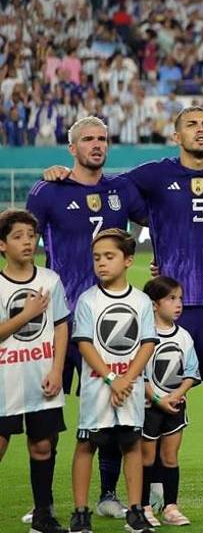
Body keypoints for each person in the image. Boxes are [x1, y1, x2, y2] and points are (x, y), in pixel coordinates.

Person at [113, 107, 203, 511]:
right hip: (169, 306)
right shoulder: (156, 174)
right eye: (191, 125)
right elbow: (109, 188)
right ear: (176, 136)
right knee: (159, 396)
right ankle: (158, 487)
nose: (200, 130)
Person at [27, 116, 148, 521]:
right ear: (71, 148)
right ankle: (43, 502)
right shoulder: (48, 191)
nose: (97, 145)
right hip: (59, 319)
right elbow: (22, 243)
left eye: (102, 139)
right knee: (47, 412)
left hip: (109, 321)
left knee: (113, 408)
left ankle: (108, 494)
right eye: (88, 139)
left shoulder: (121, 189)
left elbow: (162, 217)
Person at [70, 229, 157, 533]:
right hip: (97, 388)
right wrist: (111, 379)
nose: (102, 263)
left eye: (109, 256)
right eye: (97, 258)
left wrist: (126, 380)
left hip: (129, 388)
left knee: (131, 444)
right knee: (86, 444)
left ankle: (135, 511)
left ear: (128, 260)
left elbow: (147, 343)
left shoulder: (142, 301)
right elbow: (84, 343)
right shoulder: (88, 300)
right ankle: (81, 513)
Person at [0, 209, 69, 533]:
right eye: (18, 236)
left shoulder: (49, 280)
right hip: (5, 381)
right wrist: (26, 314)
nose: (27, 242)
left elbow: (61, 327)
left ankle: (43, 516)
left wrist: (57, 370)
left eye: (31, 235)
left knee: (43, 446)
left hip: (42, 378)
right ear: (2, 245)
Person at [139, 276, 199, 527]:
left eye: (180, 298)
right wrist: (156, 399)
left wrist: (176, 395)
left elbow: (191, 372)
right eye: (171, 298)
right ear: (154, 304)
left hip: (175, 407)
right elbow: (140, 375)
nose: (178, 304)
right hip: (149, 408)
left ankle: (171, 507)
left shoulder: (184, 336)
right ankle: (143, 506)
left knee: (170, 456)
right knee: (146, 458)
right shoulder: (144, 336)